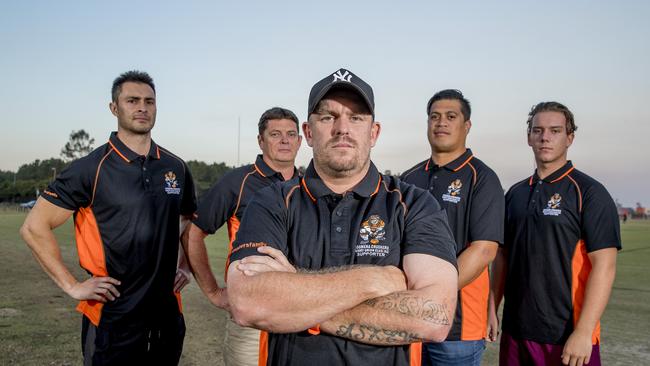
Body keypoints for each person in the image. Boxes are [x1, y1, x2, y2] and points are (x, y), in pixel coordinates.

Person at [225, 68, 459, 366]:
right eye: (327, 117)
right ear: (308, 133)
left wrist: (293, 290)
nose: (342, 128)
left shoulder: (413, 204)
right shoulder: (272, 201)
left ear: (373, 133)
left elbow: (434, 318)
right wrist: (373, 280)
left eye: (356, 117)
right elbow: (247, 302)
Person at [20, 70, 196, 365]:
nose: (142, 107)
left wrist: (187, 266)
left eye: (149, 101)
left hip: (166, 313)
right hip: (113, 315)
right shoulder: (90, 168)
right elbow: (34, 227)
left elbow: (188, 222)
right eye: (132, 100)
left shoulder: (175, 166)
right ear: (114, 108)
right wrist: (72, 286)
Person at [489, 102, 621, 366]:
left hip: (568, 337)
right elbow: (502, 256)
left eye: (555, 131)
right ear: (529, 138)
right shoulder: (515, 194)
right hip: (516, 332)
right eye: (537, 130)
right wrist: (491, 306)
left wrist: (584, 332)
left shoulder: (590, 193)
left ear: (569, 138)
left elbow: (604, 267)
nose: (545, 137)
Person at [183, 107, 302, 366]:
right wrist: (214, 292)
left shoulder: (308, 185)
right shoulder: (238, 182)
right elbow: (193, 234)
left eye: (291, 134)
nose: (285, 140)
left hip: (301, 314)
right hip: (252, 317)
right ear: (261, 140)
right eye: (276, 134)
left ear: (301, 140)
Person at [401, 89, 504, 365]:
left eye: (450, 116)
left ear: (466, 125)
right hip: (408, 321)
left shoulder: (482, 178)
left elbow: (484, 251)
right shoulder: (409, 178)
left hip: (459, 327)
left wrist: (431, 292)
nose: (441, 122)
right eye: (434, 116)